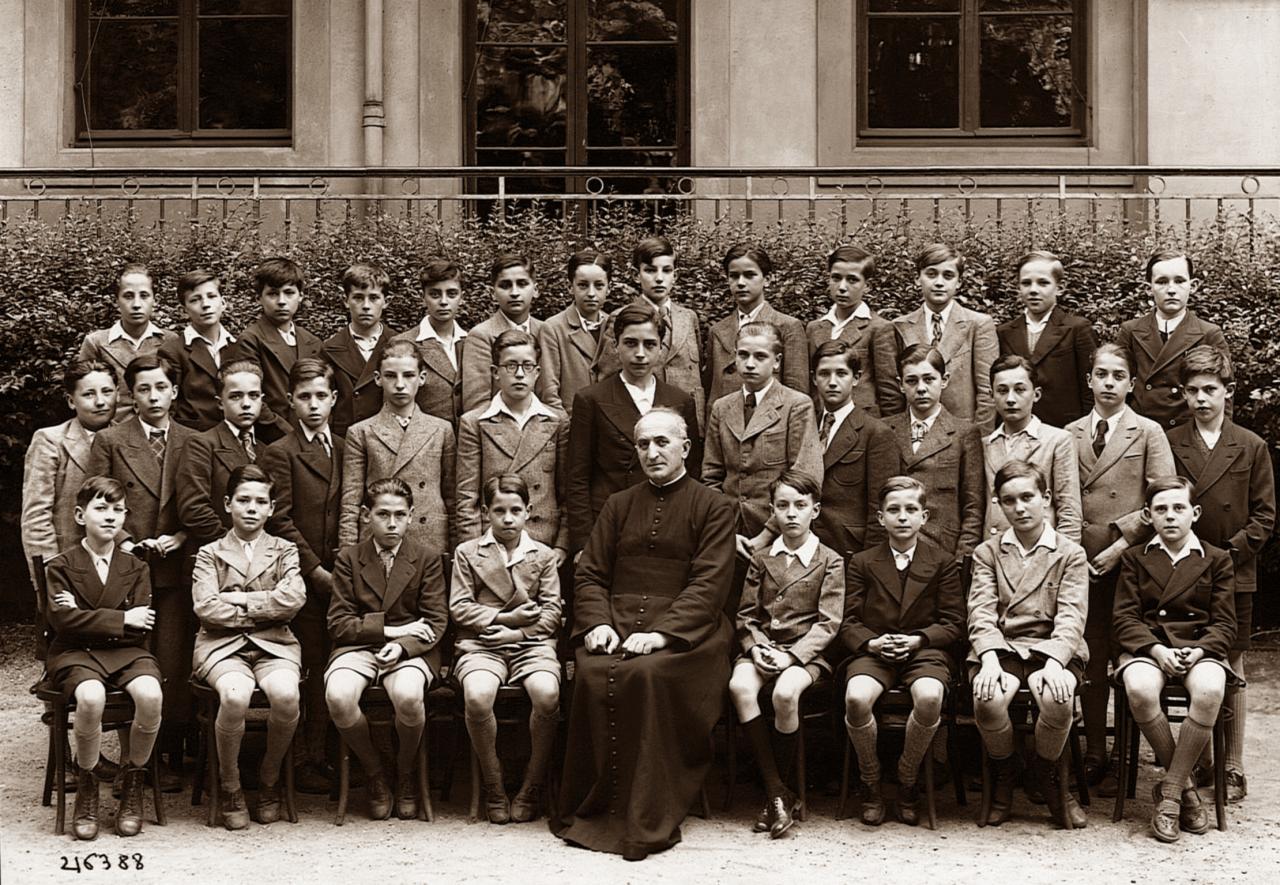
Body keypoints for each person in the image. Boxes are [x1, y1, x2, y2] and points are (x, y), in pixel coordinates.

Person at [552, 407, 736, 861]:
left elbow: (709, 584)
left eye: (662, 442)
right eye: (643, 444)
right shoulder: (618, 505)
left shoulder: (715, 507)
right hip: (615, 624)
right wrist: (597, 623)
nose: (652, 452)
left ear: (685, 449)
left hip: (690, 634)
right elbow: (591, 573)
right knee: (593, 672)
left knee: (648, 673)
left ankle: (648, 809)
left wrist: (663, 635)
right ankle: (596, 803)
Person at [1165, 345, 1275, 803]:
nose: (1201, 399)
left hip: (1233, 570)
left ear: (1228, 391)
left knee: (1231, 661)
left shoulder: (1250, 445)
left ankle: (1232, 764)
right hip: (1181, 571)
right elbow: (1163, 503)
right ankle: (1201, 758)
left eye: (1210, 389)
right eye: (1192, 391)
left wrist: (1227, 555)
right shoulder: (1170, 441)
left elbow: (1265, 516)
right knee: (1190, 658)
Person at [1063, 342, 1173, 789]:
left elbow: (1162, 499)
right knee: (1089, 655)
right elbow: (1060, 498)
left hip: (1128, 564)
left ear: (1131, 384)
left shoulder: (1148, 432)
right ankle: (1093, 750)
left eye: (1118, 376)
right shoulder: (1068, 433)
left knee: (1127, 653)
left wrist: (1120, 545)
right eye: (1101, 374)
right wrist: (1075, 552)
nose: (1109, 383)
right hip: (1080, 562)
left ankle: (1126, 755)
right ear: (1089, 380)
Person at [87, 353, 195, 786]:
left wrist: (181, 536)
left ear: (174, 391)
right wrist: (126, 541)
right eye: (143, 389)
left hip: (176, 569)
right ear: (131, 395)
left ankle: (166, 754)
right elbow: (96, 499)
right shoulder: (111, 440)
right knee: (132, 658)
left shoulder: (192, 440)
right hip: (127, 569)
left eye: (161, 387)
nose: (153, 397)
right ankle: (135, 762)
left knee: (171, 658)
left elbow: (202, 501)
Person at [1112, 476, 1238, 842]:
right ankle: (1185, 791)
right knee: (1139, 687)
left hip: (1200, 648)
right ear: (1148, 515)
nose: (1170, 516)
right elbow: (1124, 618)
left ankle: (1169, 795)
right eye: (1161, 509)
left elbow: (1225, 623)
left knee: (1211, 689)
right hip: (1150, 647)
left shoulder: (1216, 559)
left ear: (1194, 513)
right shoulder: (1135, 558)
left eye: (1178, 508)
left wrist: (1199, 651)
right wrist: (1157, 650)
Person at [968, 460, 1089, 829]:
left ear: (1045, 498)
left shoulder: (1070, 553)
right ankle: (1006, 770)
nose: (1019, 508)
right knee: (987, 698)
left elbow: (1071, 617)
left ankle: (1045, 772)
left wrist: (1055, 663)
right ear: (998, 504)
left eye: (1027, 497)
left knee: (1057, 696)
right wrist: (989, 660)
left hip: (1053, 648)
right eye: (1009, 501)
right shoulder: (987, 552)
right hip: (1002, 646)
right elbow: (981, 612)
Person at [840, 476, 964, 827]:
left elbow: (954, 622)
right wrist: (872, 643)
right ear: (881, 518)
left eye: (911, 509)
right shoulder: (863, 562)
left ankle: (908, 777)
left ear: (925, 517)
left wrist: (919, 640)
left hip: (924, 651)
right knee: (856, 698)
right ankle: (871, 779)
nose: (903, 517)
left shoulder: (942, 561)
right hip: (874, 650)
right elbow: (847, 621)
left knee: (929, 696)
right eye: (893, 510)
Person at [45, 476, 164, 840]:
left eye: (118, 509)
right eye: (100, 508)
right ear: (80, 515)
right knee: (91, 696)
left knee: (151, 695)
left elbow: (141, 627)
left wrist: (85, 615)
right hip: (74, 653)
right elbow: (62, 622)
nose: (110, 516)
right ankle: (87, 783)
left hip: (126, 651)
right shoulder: (61, 565)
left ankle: (133, 779)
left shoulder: (136, 566)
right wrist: (121, 618)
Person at [324, 478, 448, 821]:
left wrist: (402, 647)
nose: (392, 523)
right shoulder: (349, 558)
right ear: (366, 515)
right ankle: (375, 771)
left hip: (412, 650)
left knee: (408, 695)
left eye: (400, 515)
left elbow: (436, 621)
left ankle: (405, 771)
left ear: (411, 516)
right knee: (338, 696)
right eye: (382, 514)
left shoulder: (426, 558)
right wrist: (391, 630)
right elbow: (338, 623)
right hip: (358, 646)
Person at [729, 470, 843, 838]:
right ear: (772, 512)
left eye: (800, 505)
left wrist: (791, 657)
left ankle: (775, 794)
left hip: (805, 654)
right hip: (763, 646)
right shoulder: (762, 557)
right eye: (782, 506)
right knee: (740, 687)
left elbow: (828, 623)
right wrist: (757, 647)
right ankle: (778, 791)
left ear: (815, 510)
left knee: (785, 692)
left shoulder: (830, 560)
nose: (791, 513)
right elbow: (746, 616)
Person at [190, 464, 305, 830]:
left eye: (260, 501)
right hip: (221, 646)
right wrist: (264, 607)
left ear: (271, 508)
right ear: (228, 504)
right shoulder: (209, 553)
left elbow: (294, 599)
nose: (251, 508)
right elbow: (206, 607)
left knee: (286, 695)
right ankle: (231, 785)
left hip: (275, 644)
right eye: (243, 500)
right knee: (235, 696)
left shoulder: (285, 550)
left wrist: (239, 599)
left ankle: (269, 778)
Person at [451, 474, 563, 824]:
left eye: (516, 510)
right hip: (482, 643)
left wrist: (515, 633)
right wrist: (504, 617)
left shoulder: (543, 555)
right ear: (485, 512)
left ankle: (532, 784)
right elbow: (459, 607)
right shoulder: (468, 552)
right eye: (499, 511)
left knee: (547, 694)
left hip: (530, 643)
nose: (508, 519)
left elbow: (552, 613)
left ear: (529, 510)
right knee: (477, 695)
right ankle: (493, 782)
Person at [261, 359, 345, 795]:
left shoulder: (346, 447)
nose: (313, 405)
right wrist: (314, 570)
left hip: (343, 576)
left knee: (335, 663)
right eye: (304, 397)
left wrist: (344, 568)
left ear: (334, 399)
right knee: (306, 664)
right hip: (304, 576)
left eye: (321, 396)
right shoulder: (280, 452)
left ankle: (327, 753)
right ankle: (301, 759)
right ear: (290, 401)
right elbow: (281, 520)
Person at [566, 302, 700, 553]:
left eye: (649, 344)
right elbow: (577, 478)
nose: (640, 353)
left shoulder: (680, 401)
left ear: (660, 348)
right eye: (630, 343)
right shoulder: (591, 399)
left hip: (668, 524)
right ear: (616, 346)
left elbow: (692, 471)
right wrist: (584, 544)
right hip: (609, 526)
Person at [703, 322, 823, 572]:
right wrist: (726, 531)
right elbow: (711, 476)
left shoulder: (796, 405)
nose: (749, 364)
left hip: (780, 533)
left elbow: (805, 476)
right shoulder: (722, 407)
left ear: (777, 361)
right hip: (729, 533)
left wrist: (766, 535)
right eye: (743, 355)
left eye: (760, 356)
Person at [457, 330, 569, 560]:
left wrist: (562, 546)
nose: (519, 374)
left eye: (527, 366)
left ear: (537, 372)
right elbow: (467, 497)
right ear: (495, 372)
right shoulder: (475, 422)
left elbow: (567, 492)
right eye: (510, 366)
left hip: (544, 543)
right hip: (492, 542)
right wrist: (475, 552)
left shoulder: (557, 421)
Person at [339, 340, 456, 555]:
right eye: (391, 376)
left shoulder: (441, 429)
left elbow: (452, 497)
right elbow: (350, 502)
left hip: (429, 538)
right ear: (378, 379)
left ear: (422, 378)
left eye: (409, 375)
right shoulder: (361, 432)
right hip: (379, 540)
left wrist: (456, 551)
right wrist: (348, 556)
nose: (400, 384)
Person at [22, 360, 118, 598]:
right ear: (71, 401)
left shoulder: (129, 438)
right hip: (68, 562)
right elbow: (36, 515)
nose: (100, 402)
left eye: (107, 391)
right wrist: (51, 575)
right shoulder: (50, 440)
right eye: (88, 394)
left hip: (119, 567)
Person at [882, 344, 985, 559]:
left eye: (929, 379)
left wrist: (962, 559)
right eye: (912, 381)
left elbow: (973, 506)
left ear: (944, 380)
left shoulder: (964, 433)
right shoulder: (883, 430)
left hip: (942, 551)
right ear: (900, 385)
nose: (921, 388)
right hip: (891, 549)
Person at [593, 236, 706, 427]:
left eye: (667, 270)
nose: (659, 278)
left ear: (675, 275)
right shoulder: (621, 317)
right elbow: (608, 379)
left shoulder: (688, 317)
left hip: (686, 422)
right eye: (650, 270)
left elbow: (699, 371)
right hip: (641, 423)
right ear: (636, 275)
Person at [1115, 249, 1231, 430]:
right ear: (1149, 288)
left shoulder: (1209, 333)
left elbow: (1224, 396)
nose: (1171, 290)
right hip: (1140, 431)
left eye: (1179, 281)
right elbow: (1117, 387)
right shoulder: (1130, 331)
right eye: (1162, 282)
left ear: (1193, 285)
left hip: (1189, 432)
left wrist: (1217, 437)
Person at [808, 340, 900, 560]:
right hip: (805, 546)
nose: (832, 382)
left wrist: (869, 563)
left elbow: (881, 507)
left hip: (850, 550)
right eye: (824, 374)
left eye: (841, 373)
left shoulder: (875, 432)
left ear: (856, 378)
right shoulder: (804, 426)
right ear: (813, 378)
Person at [892, 243, 999, 430]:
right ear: (918, 278)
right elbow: (895, 392)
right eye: (931, 274)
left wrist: (979, 437)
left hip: (963, 431)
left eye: (948, 275)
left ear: (959, 282)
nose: (939, 282)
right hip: (915, 431)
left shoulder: (978, 325)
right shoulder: (900, 326)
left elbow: (987, 391)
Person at [981, 354, 1082, 543]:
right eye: (1002, 391)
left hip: (1041, 550)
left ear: (1036, 394)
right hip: (994, 551)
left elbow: (1069, 511)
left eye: (1020, 390)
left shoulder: (1057, 440)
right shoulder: (985, 444)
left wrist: (1064, 556)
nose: (1010, 399)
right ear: (991, 395)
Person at [996, 251, 1098, 429]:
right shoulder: (1004, 332)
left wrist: (1085, 431)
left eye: (1043, 283)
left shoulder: (1077, 328)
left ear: (1059, 287)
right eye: (1026, 283)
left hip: (1064, 428)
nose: (1033, 290)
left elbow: (1090, 389)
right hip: (1017, 428)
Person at [177, 360, 270, 550]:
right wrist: (237, 549)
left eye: (253, 396)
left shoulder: (266, 450)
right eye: (236, 396)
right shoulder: (202, 445)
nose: (246, 404)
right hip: (215, 555)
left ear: (262, 399)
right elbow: (194, 509)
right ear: (220, 403)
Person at [806, 244, 903, 418]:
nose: (842, 287)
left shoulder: (878, 328)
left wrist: (887, 429)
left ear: (867, 286)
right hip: (820, 421)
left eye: (852, 280)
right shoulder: (814, 328)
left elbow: (889, 392)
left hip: (864, 422)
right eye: (836, 278)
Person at [705, 245, 808, 404]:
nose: (740, 283)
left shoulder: (788, 327)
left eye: (749, 275)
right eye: (734, 276)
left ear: (767, 279)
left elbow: (796, 393)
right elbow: (710, 389)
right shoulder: (717, 330)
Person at [77, 263, 175, 424]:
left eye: (144, 295)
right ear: (117, 301)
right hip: (110, 430)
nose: (136, 304)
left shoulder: (170, 341)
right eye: (128, 296)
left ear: (154, 300)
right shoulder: (96, 342)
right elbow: (84, 394)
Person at [235, 257, 320, 440]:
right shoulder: (251, 340)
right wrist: (289, 435)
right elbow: (252, 397)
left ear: (301, 296)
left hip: (313, 434)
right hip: (272, 437)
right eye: (273, 294)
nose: (281, 301)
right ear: (259, 298)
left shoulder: (312, 342)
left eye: (289, 293)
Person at [461, 253, 546, 413]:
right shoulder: (481, 336)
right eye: (505, 285)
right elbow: (477, 404)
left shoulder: (546, 331)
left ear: (535, 289)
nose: (514, 292)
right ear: (493, 292)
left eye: (522, 284)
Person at [160, 269, 242, 432]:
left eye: (211, 296)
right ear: (184, 310)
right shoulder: (173, 351)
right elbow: (169, 408)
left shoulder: (240, 347)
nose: (205, 305)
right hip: (195, 438)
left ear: (223, 303)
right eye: (195, 300)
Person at [393, 257, 467, 427]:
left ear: (461, 297)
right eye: (435, 294)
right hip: (425, 438)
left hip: (469, 439)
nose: (443, 302)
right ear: (423, 297)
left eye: (451, 294)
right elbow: (394, 405)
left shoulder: (472, 341)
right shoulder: (404, 344)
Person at [322, 263, 391, 438]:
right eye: (358, 297)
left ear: (385, 302)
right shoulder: (330, 349)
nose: (366, 306)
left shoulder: (398, 344)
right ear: (346, 301)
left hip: (389, 435)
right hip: (346, 438)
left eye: (374, 298)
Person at [538, 250, 609, 415]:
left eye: (599, 286)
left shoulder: (613, 326)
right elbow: (549, 391)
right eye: (583, 285)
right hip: (572, 420)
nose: (591, 293)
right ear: (571, 287)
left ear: (609, 288)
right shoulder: (554, 328)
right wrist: (564, 424)